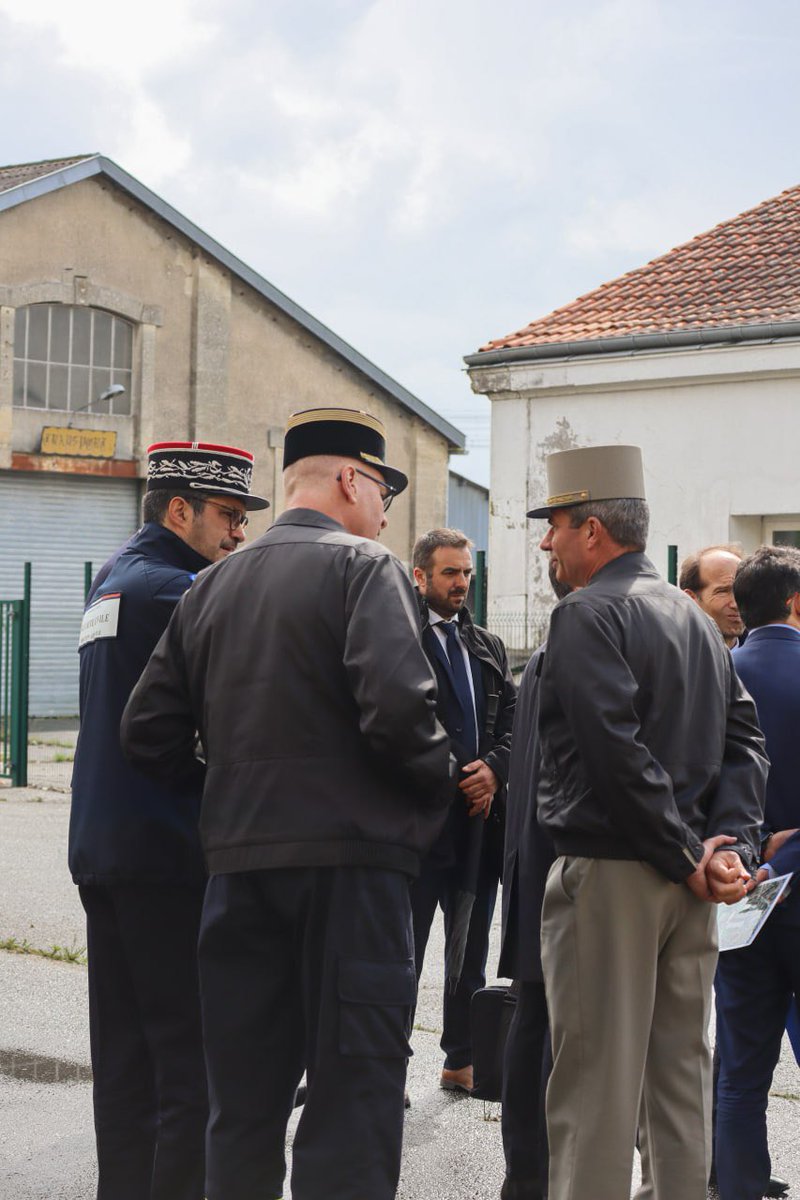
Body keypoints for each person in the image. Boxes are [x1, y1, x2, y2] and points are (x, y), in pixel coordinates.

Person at [120, 407, 453, 1200]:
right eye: (382, 491)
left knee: (242, 1106)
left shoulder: (212, 585)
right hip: (351, 877)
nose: (383, 512)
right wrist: (435, 795)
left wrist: (233, 794)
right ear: (349, 478)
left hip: (238, 875)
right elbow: (402, 715)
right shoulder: (366, 569)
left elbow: (146, 732)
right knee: (352, 1101)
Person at [528, 444, 767, 1200]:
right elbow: (744, 743)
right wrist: (726, 852)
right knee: (678, 1078)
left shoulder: (585, 614)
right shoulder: (695, 620)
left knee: (596, 1085)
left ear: (593, 529)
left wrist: (689, 853)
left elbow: (613, 753)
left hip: (616, 874)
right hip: (688, 882)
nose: (546, 541)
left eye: (555, 525)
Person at [69, 440, 268, 1200]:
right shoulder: (179, 591)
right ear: (178, 508)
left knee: (125, 1063)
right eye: (227, 515)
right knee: (188, 1064)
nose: (240, 534)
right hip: (166, 850)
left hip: (105, 847)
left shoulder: (114, 580)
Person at [411, 528, 516, 1093]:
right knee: (401, 952)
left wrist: (496, 768)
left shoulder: (487, 647)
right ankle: (389, 1067)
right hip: (419, 826)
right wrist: (459, 775)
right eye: (450, 573)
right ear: (421, 576)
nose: (462, 584)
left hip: (479, 827)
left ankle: (461, 1059)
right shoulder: (401, 640)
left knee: (469, 951)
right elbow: (401, 722)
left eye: (468, 573)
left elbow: (514, 721)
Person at [714, 545, 800, 1200]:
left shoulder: (714, 676)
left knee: (740, 1068)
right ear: (796, 601)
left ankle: (736, 1186)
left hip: (738, 891)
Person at [498, 555, 569, 1200]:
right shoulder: (560, 658)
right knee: (543, 1024)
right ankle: (532, 1172)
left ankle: (527, 1172)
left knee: (534, 1018)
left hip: (532, 861)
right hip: (554, 869)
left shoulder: (546, 654)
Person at [680, 544, 745, 648]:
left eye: (743, 590)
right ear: (691, 598)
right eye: (722, 591)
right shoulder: (672, 655)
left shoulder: (766, 655)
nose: (736, 604)